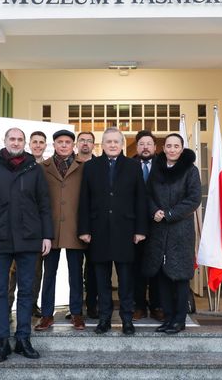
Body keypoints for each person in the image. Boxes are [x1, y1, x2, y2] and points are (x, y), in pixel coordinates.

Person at [0, 127, 53, 362]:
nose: (16, 142)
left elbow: (44, 205)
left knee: (27, 291)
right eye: (12, 139)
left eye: (20, 139)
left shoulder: (34, 169)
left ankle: (23, 339)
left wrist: (47, 236)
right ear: (5, 140)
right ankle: (2, 342)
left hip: (29, 238)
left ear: (25, 143)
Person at [78, 127, 147, 335]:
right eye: (108, 141)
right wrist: (84, 229)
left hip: (126, 231)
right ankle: (104, 319)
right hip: (98, 231)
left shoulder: (133, 166)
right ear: (102, 144)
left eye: (116, 141)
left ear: (122, 144)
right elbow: (84, 200)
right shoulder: (90, 167)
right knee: (101, 280)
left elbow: (140, 200)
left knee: (126, 280)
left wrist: (140, 230)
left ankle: (127, 319)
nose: (112, 145)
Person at [142, 133, 201, 334]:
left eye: (176, 146)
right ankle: (167, 318)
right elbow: (147, 194)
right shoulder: (157, 169)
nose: (172, 149)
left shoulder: (190, 171)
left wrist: (168, 214)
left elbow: (194, 199)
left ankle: (179, 319)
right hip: (158, 230)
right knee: (162, 275)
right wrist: (153, 211)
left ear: (182, 148)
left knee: (180, 276)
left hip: (180, 231)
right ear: (164, 148)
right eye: (169, 146)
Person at [35, 129, 87, 331]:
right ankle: (47, 315)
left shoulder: (84, 167)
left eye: (67, 142)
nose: (64, 145)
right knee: (49, 274)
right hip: (50, 229)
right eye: (60, 142)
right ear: (54, 145)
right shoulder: (42, 168)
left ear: (73, 145)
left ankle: (76, 313)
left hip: (75, 228)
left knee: (76, 274)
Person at [8, 131, 48, 319]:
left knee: (35, 271)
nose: (38, 145)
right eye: (35, 142)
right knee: (12, 271)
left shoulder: (47, 167)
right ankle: (7, 306)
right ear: (29, 144)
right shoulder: (21, 163)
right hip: (14, 228)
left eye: (41, 142)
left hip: (35, 227)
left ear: (45, 145)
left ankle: (32, 305)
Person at [132, 130, 164, 322]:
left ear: (155, 147)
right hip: (135, 226)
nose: (145, 147)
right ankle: (139, 306)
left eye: (149, 144)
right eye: (142, 144)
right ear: (137, 147)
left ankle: (157, 305)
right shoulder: (129, 165)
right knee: (137, 267)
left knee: (157, 267)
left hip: (160, 225)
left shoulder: (164, 165)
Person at [75, 131, 99, 319]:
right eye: (82, 140)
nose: (85, 143)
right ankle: (74, 309)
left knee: (93, 269)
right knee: (74, 270)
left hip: (95, 225)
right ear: (77, 143)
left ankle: (92, 306)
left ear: (94, 145)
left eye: (89, 141)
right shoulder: (66, 163)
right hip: (70, 224)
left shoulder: (100, 165)